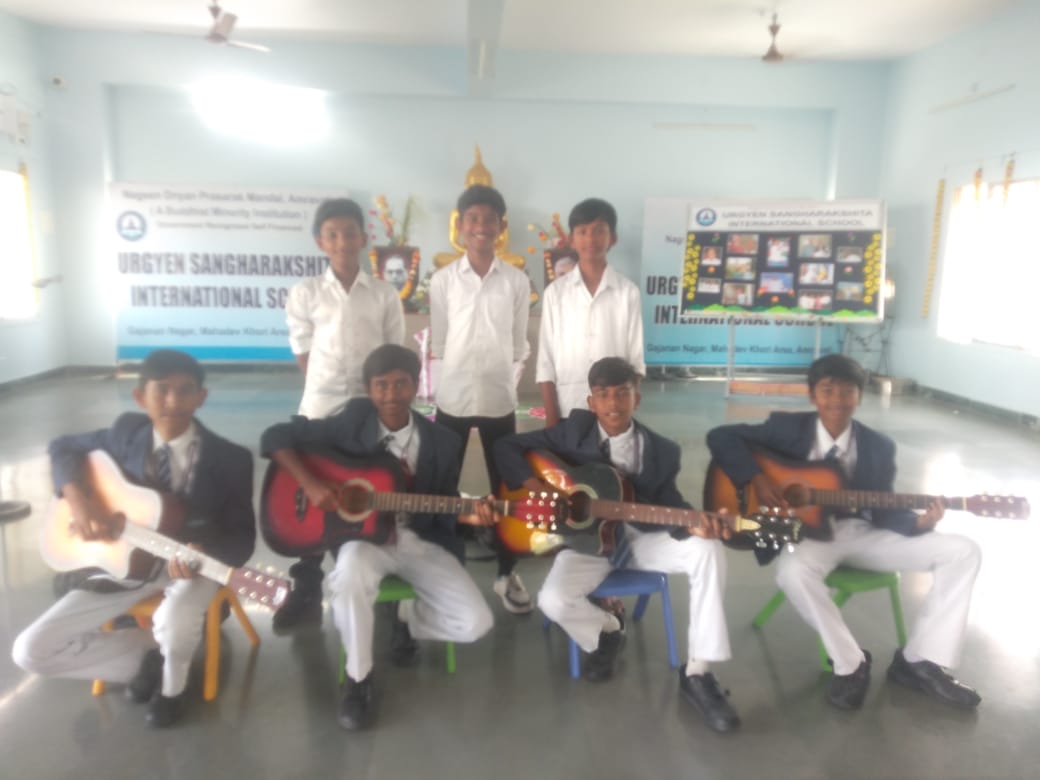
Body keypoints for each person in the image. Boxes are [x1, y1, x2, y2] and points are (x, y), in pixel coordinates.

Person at [706, 353, 981, 711]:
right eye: (827, 390)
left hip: (863, 532)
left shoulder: (878, 447)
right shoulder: (786, 429)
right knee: (792, 573)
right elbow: (721, 436)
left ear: (860, 396)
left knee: (963, 551)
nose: (837, 400)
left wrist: (920, 523)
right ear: (812, 395)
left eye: (848, 391)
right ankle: (851, 663)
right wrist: (756, 479)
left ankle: (919, 661)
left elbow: (884, 506)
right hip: (808, 535)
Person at [494, 357, 741, 734]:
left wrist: (696, 525)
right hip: (586, 543)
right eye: (603, 394)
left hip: (641, 539)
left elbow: (670, 504)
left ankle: (698, 672)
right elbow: (506, 447)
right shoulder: (571, 434)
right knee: (552, 600)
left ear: (637, 398)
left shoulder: (662, 451)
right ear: (591, 402)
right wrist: (541, 489)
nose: (613, 403)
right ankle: (607, 630)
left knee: (708, 551)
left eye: (622, 393)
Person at [11, 350, 255, 728]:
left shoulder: (231, 459)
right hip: (123, 567)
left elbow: (242, 539)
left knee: (176, 618)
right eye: (162, 390)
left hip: (189, 568)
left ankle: (173, 690)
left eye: (185, 390)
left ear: (201, 397)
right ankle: (148, 660)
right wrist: (79, 504)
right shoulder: (126, 433)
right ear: (141, 397)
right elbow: (62, 447)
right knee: (29, 650)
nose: (173, 401)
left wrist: (205, 552)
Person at [260, 344, 495, 731]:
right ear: (368, 389)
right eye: (381, 385)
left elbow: (445, 500)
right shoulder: (350, 422)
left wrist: (470, 511)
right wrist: (311, 484)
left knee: (476, 622)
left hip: (419, 539)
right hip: (363, 538)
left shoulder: (443, 442)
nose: (391, 394)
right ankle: (358, 678)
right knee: (349, 572)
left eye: (401, 384)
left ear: (416, 385)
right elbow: (274, 436)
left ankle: (406, 617)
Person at [275, 198, 406, 633]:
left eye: (350, 232)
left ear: (364, 238)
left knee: (376, 486)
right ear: (320, 242)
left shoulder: (384, 294)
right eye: (332, 234)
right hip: (321, 406)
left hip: (372, 406)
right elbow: (303, 352)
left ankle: (384, 586)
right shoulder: (305, 293)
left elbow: (393, 353)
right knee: (316, 488)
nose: (342, 241)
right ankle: (307, 586)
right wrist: (325, 390)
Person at [429, 184, 534, 615]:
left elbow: (518, 343)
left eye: (489, 219)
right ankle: (444, 569)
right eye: (472, 218)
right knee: (443, 486)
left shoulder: (517, 281)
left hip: (497, 399)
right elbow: (439, 341)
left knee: (506, 486)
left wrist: (500, 374)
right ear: (460, 225)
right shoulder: (442, 280)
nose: (481, 227)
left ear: (500, 227)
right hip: (452, 397)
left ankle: (507, 573)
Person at [537, 198, 645, 428]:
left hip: (613, 410)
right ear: (571, 239)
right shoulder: (555, 293)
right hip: (568, 406)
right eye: (582, 231)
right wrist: (551, 418)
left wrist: (625, 408)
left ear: (613, 238)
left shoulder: (628, 292)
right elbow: (545, 360)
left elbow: (635, 359)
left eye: (599, 231)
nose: (590, 239)